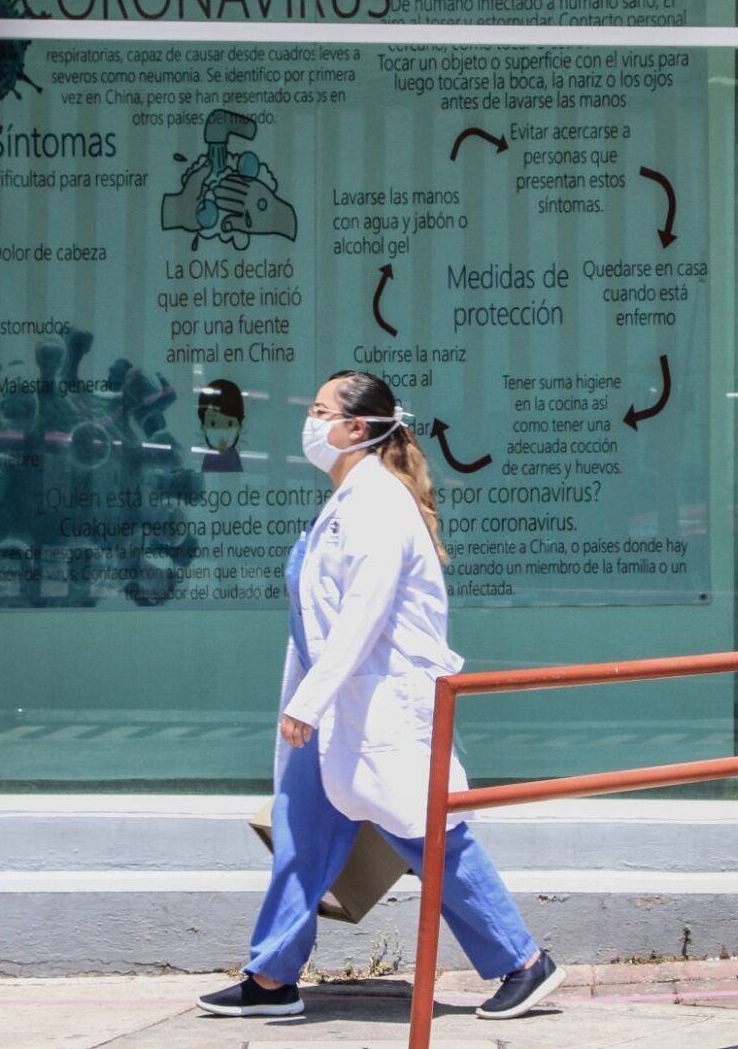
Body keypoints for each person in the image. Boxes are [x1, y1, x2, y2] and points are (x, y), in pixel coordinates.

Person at [198, 370, 562, 1020]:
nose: (308, 422)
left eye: (319, 410)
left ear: (356, 428)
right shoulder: (347, 500)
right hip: (339, 709)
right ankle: (272, 977)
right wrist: (308, 698)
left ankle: (524, 961)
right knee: (301, 832)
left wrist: (308, 701)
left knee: (430, 834)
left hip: (377, 708)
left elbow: (363, 613)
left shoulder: (376, 504)